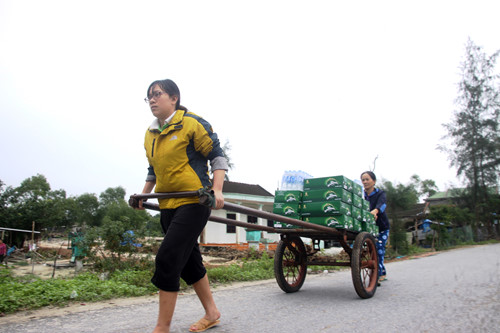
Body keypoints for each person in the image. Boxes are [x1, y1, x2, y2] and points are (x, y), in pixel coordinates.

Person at [136, 79, 228, 333]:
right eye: (149, 97)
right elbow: (153, 170)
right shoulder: (150, 134)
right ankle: (212, 312)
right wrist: (143, 196)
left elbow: (217, 156)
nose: (152, 100)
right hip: (168, 204)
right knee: (189, 262)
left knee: (168, 257)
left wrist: (217, 189)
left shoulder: (192, 123)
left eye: (157, 94)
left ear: (174, 98)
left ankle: (161, 328)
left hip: (194, 202)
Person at [360, 171, 390, 283]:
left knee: (379, 249)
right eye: (363, 180)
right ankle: (382, 271)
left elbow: (382, 204)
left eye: (367, 179)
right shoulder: (362, 196)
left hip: (382, 227)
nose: (365, 182)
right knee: (372, 251)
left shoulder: (380, 193)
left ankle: (376, 275)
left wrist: (376, 211)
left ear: (374, 181)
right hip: (369, 228)